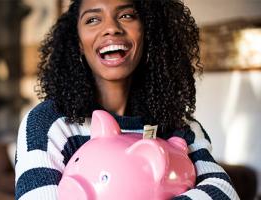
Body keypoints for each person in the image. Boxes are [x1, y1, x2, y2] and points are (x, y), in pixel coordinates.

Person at [14, 0, 240, 199]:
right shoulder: (49, 124)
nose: (111, 28)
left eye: (126, 15)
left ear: (147, 31)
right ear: (79, 44)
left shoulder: (181, 127)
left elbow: (223, 191)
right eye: (92, 19)